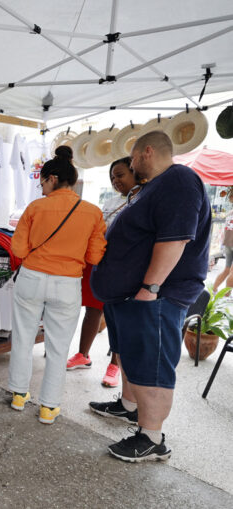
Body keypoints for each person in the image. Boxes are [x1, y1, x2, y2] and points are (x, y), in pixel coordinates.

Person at [90, 130, 210, 462]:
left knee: (152, 363)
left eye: (131, 159)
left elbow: (175, 240)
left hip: (157, 295)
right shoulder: (155, 187)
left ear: (147, 152)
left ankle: (152, 436)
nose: (129, 165)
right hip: (131, 294)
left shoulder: (179, 181)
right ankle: (130, 407)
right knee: (131, 353)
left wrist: (151, 287)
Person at [8, 146, 107, 425]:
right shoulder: (92, 212)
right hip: (67, 283)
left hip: (31, 278)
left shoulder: (35, 208)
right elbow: (95, 256)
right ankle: (48, 408)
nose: (40, 187)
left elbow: (18, 247)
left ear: (52, 178)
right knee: (58, 346)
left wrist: (37, 259)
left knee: (23, 337)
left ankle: (18, 395)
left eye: (41, 181)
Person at [67, 157, 140, 387]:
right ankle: (83, 355)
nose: (115, 181)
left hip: (124, 267)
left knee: (118, 317)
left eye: (120, 175)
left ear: (134, 172)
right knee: (93, 309)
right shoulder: (110, 201)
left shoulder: (143, 201)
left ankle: (115, 365)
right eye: (112, 177)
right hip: (100, 263)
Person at [212, 188, 233, 292]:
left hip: (228, 245)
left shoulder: (230, 214)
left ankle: (214, 290)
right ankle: (226, 296)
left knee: (227, 269)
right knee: (231, 271)